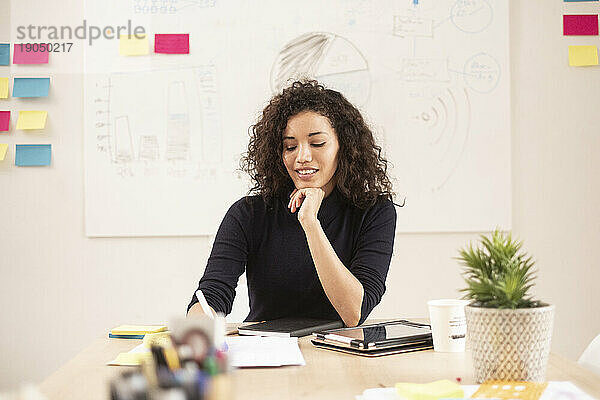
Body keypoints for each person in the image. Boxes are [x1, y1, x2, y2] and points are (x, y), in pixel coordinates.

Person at [187, 80, 397, 327]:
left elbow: (354, 312)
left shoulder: (374, 212)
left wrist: (310, 223)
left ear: (345, 147)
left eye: (317, 143)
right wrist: (198, 329)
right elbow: (213, 292)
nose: (303, 157)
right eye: (290, 146)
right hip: (266, 350)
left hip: (341, 356)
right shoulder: (249, 214)